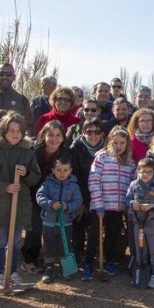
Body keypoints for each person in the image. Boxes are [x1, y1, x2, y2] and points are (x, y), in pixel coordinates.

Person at [0, 112, 42, 292]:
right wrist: (5, 187)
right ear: (3, 131)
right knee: (0, 240)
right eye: (11, 130)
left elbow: (35, 177)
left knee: (14, 242)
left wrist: (27, 174)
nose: (15, 134)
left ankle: (11, 272)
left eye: (18, 131)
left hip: (19, 205)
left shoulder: (27, 153)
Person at [21, 120, 72, 274]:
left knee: (53, 227)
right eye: (50, 134)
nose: (54, 139)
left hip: (57, 195)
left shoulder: (67, 154)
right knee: (34, 226)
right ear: (43, 135)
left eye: (58, 135)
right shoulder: (33, 151)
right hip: (33, 193)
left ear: (63, 137)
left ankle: (51, 257)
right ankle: (29, 258)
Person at [88, 127, 135, 277]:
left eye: (122, 143)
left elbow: (132, 185)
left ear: (127, 144)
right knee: (94, 235)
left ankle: (109, 261)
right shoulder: (102, 157)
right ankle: (88, 263)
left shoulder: (130, 162)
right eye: (115, 142)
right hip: (100, 205)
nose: (118, 146)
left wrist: (128, 205)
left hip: (118, 206)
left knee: (112, 235)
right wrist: (98, 203)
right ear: (109, 141)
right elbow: (94, 180)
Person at [35, 157, 82, 284]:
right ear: (53, 170)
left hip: (66, 221)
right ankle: (49, 268)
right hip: (49, 221)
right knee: (49, 244)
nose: (62, 173)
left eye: (65, 170)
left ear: (70, 171)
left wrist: (67, 207)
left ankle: (64, 267)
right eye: (59, 170)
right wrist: (50, 204)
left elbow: (78, 201)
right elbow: (40, 196)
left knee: (64, 244)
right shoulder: (48, 183)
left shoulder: (73, 186)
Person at [124, 158, 154, 289]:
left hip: (153, 224)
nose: (146, 175)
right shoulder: (133, 185)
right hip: (138, 224)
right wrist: (133, 203)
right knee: (140, 249)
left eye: (149, 172)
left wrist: (152, 206)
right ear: (138, 171)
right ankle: (141, 269)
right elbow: (127, 200)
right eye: (143, 172)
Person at [69, 118, 105, 280]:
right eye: (89, 131)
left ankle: (91, 260)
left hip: (99, 196)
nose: (93, 135)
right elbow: (73, 176)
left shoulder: (106, 150)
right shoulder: (75, 149)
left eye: (96, 132)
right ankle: (76, 256)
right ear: (83, 133)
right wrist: (80, 202)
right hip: (80, 194)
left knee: (95, 229)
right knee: (78, 226)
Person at [0, 63, 35, 133]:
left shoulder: (22, 99)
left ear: (14, 77)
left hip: (13, 142)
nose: (5, 77)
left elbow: (28, 124)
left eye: (9, 74)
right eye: (1, 74)